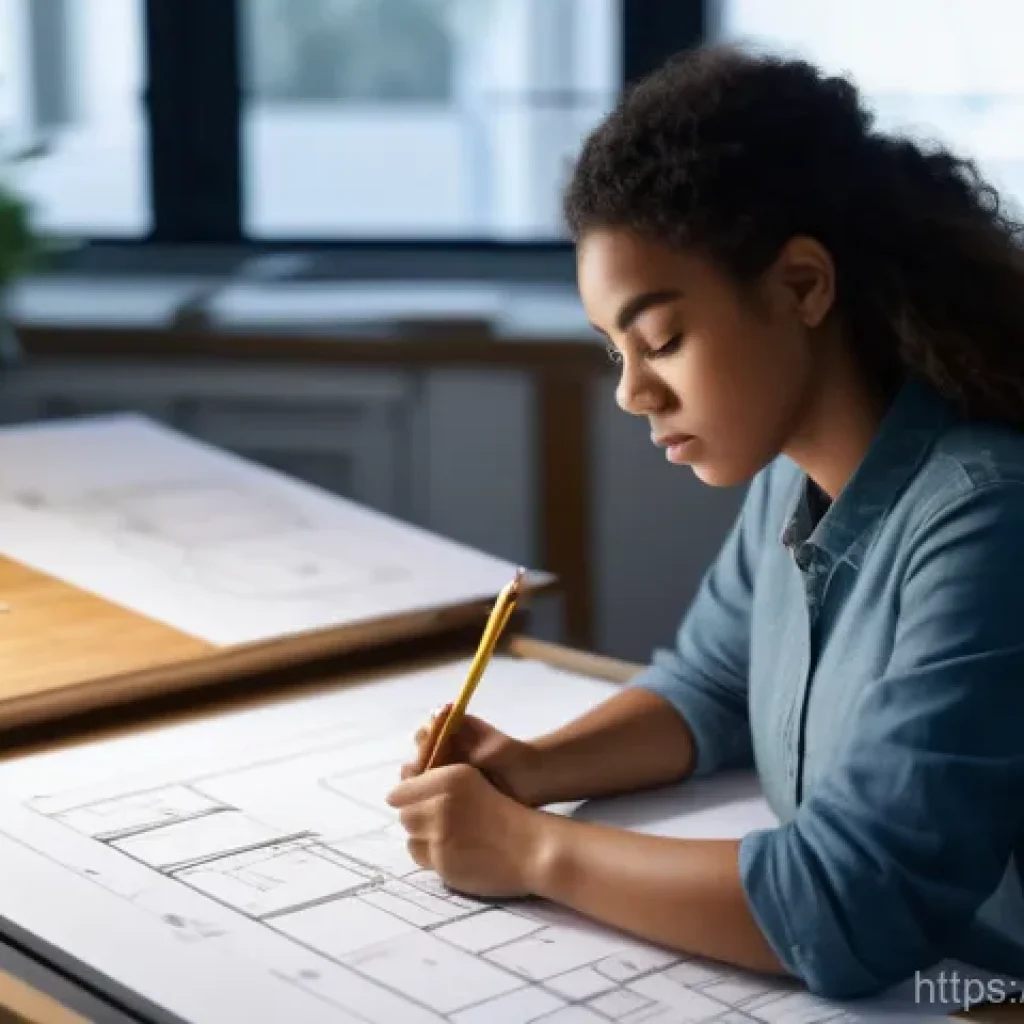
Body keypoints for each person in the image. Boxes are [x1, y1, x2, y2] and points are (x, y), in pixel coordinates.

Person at [386, 43, 1024, 1000]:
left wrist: (530, 850)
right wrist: (533, 768)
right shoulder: (792, 474)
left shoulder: (985, 517)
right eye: (615, 352)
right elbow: (716, 687)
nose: (633, 393)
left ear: (803, 286)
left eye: (662, 341)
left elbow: (855, 900)